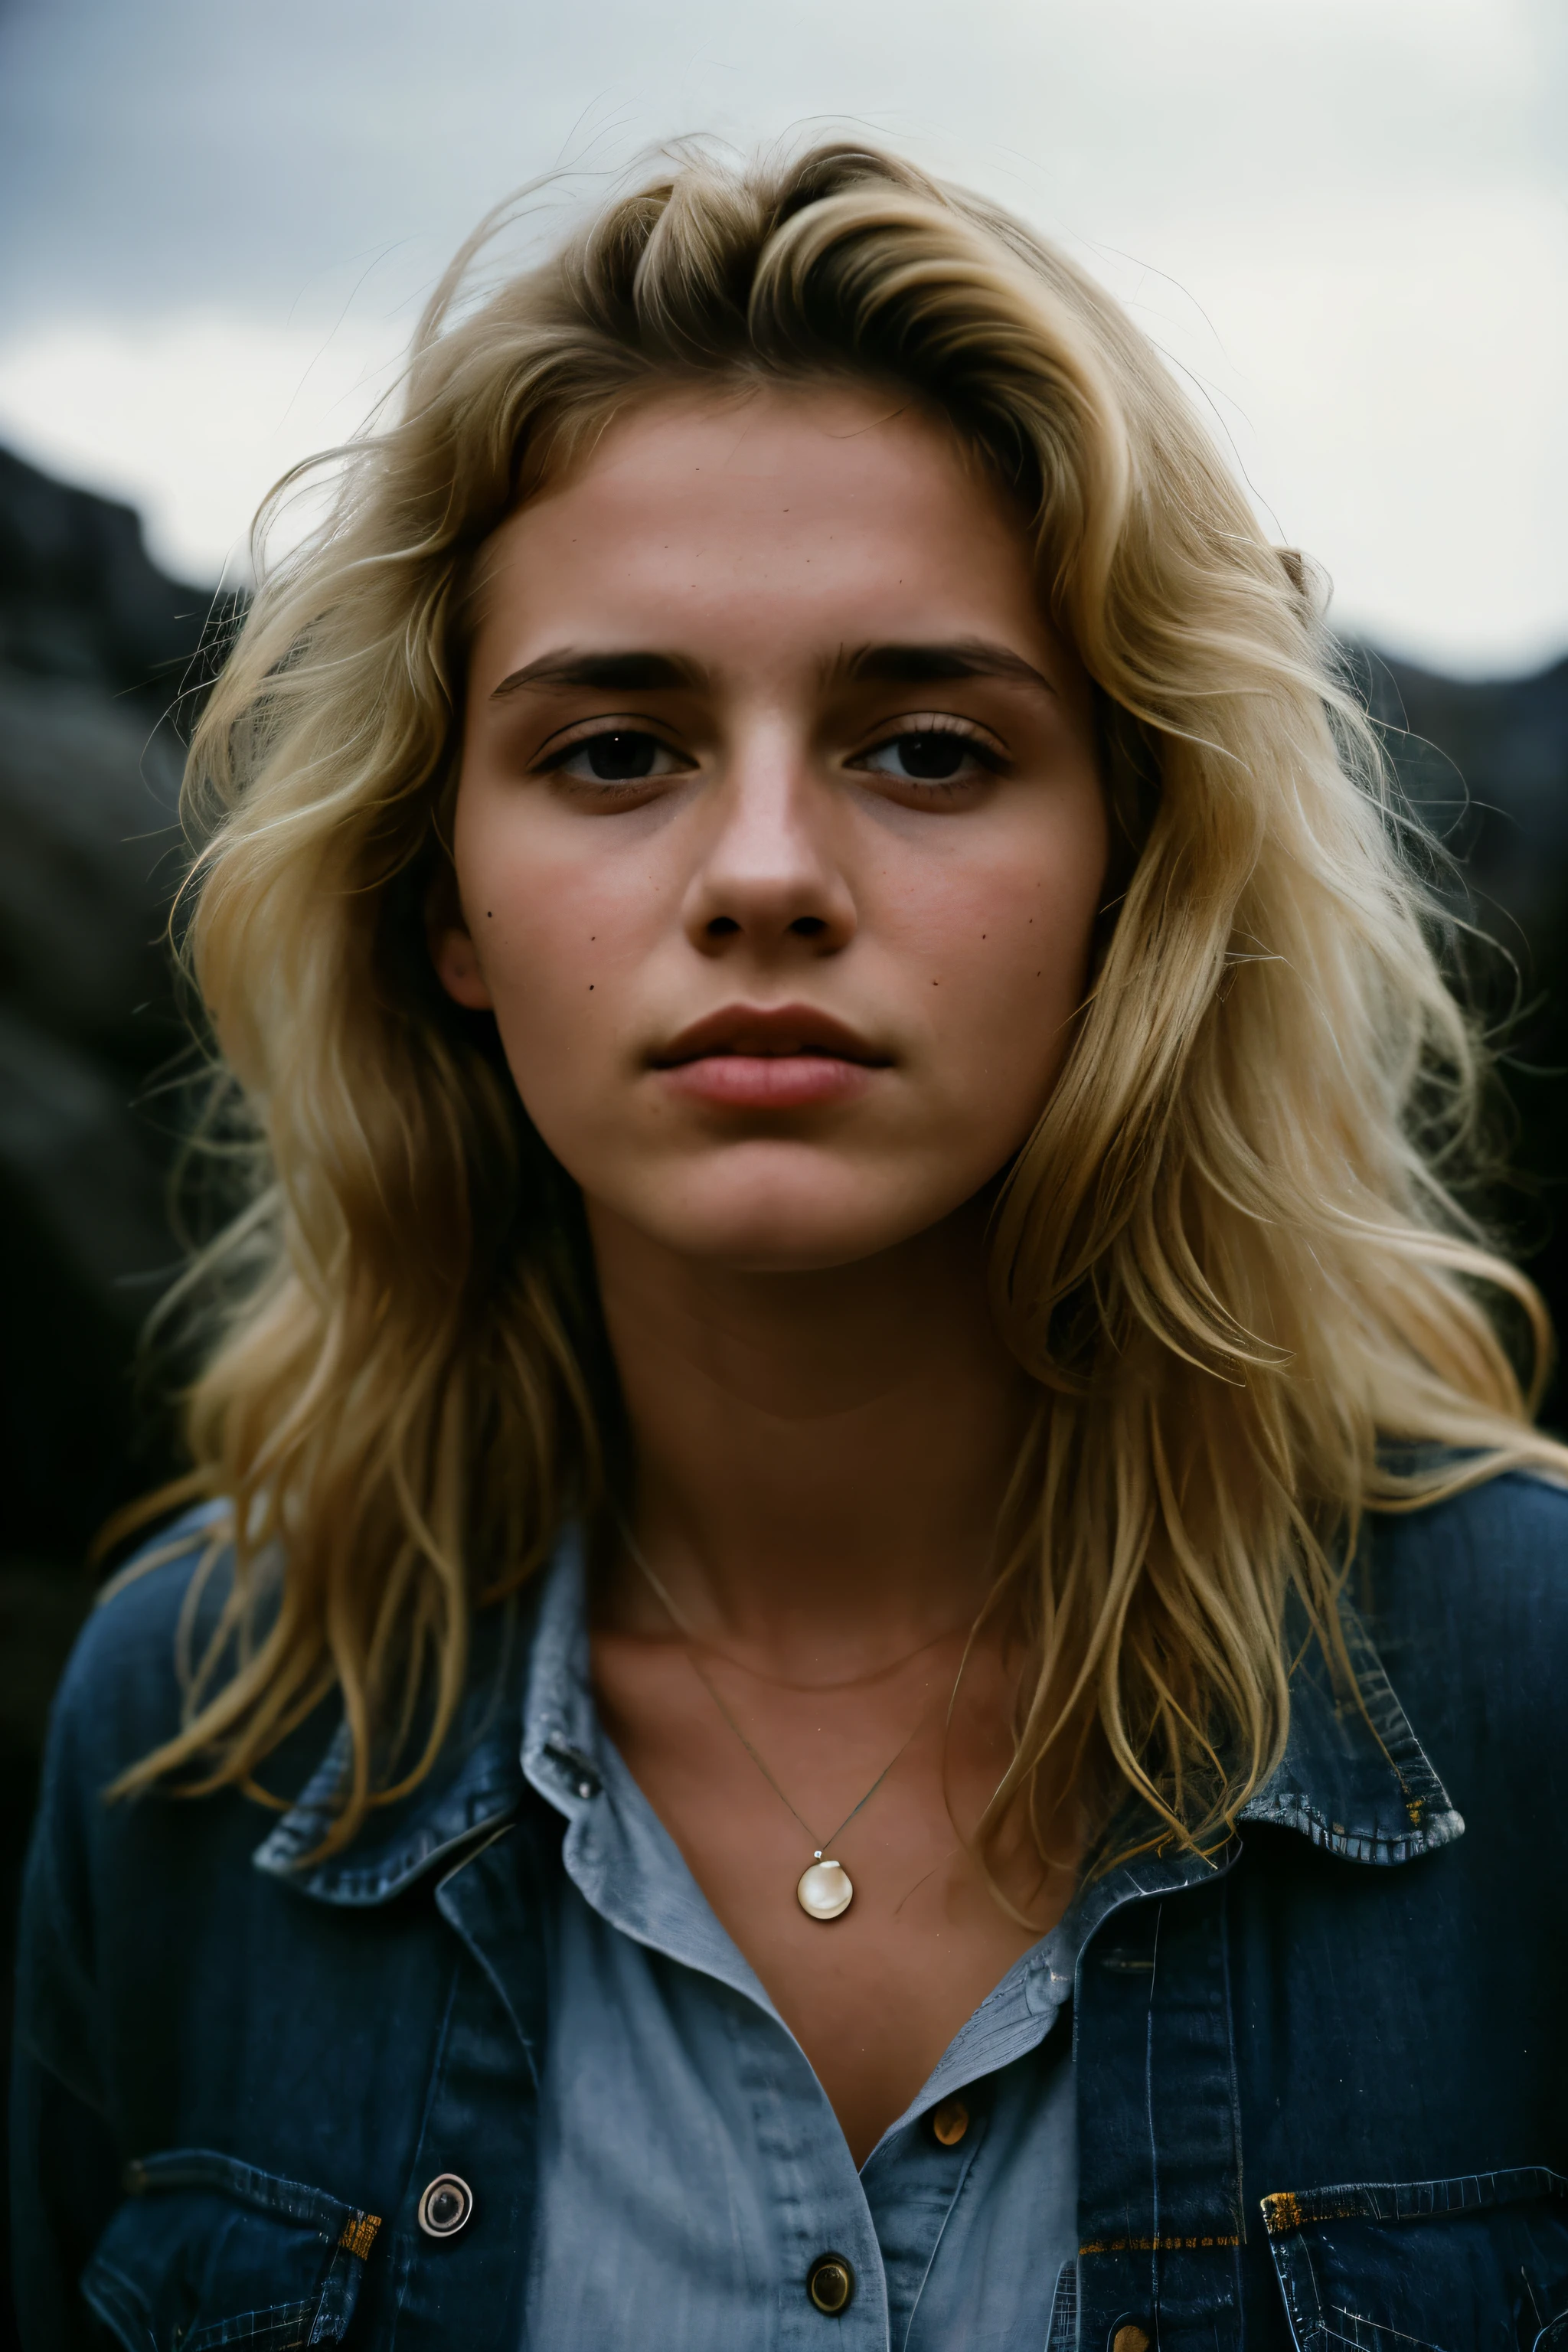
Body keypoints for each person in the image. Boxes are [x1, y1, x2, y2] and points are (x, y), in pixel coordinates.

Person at [11, 139, 1568, 2350]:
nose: (762, 871)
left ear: (1137, 866)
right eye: (619, 747)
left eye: (928, 749)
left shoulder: (1533, 1692)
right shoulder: (194, 1731)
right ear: (441, 895)